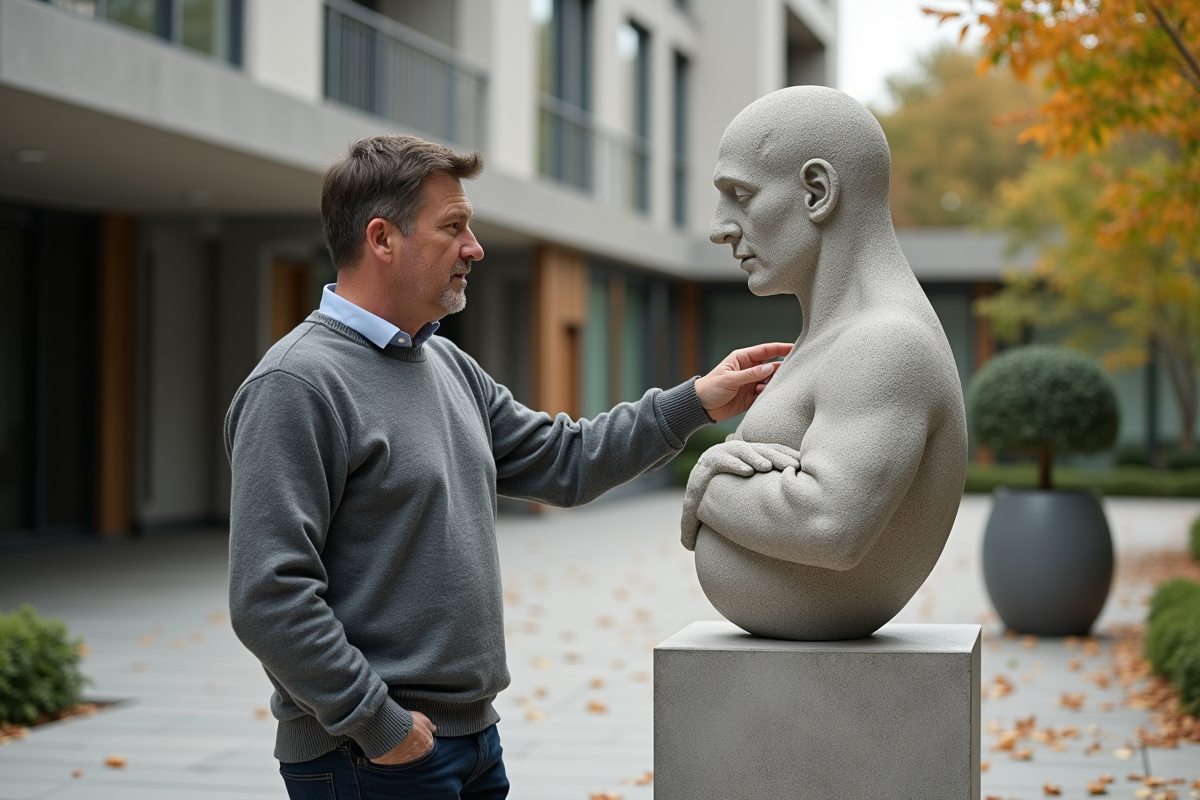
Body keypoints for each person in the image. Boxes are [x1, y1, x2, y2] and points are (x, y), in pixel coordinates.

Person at [224, 134, 790, 799]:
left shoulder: (446, 366)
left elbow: (564, 460)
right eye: (454, 227)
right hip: (368, 757)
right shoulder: (297, 385)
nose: (475, 248)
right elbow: (269, 595)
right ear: (382, 239)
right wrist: (380, 726)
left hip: (467, 743)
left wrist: (695, 401)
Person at [679, 86, 968, 641]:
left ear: (817, 192)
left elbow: (830, 525)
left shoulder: (884, 341)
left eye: (741, 194)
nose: (720, 227)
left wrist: (709, 479)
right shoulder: (838, 337)